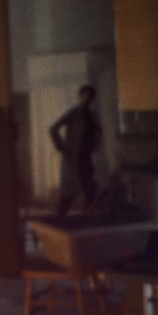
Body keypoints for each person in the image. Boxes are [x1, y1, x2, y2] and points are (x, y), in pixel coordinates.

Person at [50, 84, 101, 217]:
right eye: (85, 95)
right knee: (69, 192)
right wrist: (61, 147)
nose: (88, 99)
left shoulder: (92, 114)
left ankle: (86, 218)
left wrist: (94, 144)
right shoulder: (74, 112)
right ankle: (59, 219)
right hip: (73, 158)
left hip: (85, 157)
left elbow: (98, 131)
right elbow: (53, 128)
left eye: (91, 96)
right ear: (80, 96)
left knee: (90, 189)